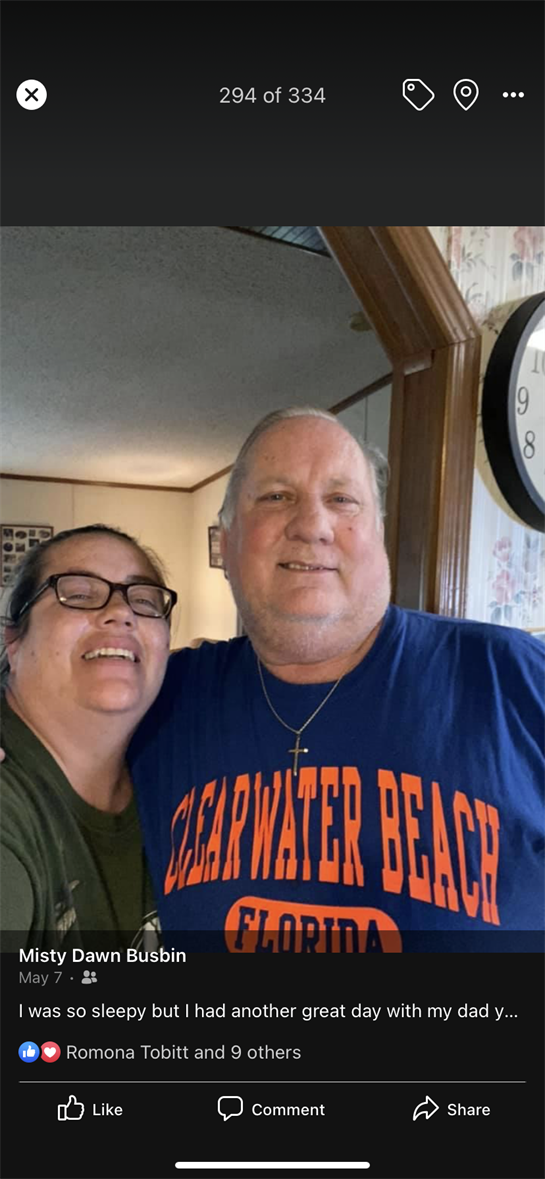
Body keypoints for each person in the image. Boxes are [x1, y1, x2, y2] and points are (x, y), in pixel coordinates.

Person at [129, 407, 545, 952]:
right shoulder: (158, 696)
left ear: (379, 535)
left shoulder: (515, 677)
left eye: (342, 499)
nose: (312, 526)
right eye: (276, 496)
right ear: (226, 544)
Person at [0, 524, 175, 950]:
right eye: (78, 594)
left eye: (145, 600)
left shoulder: (178, 761)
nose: (121, 611)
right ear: (12, 641)